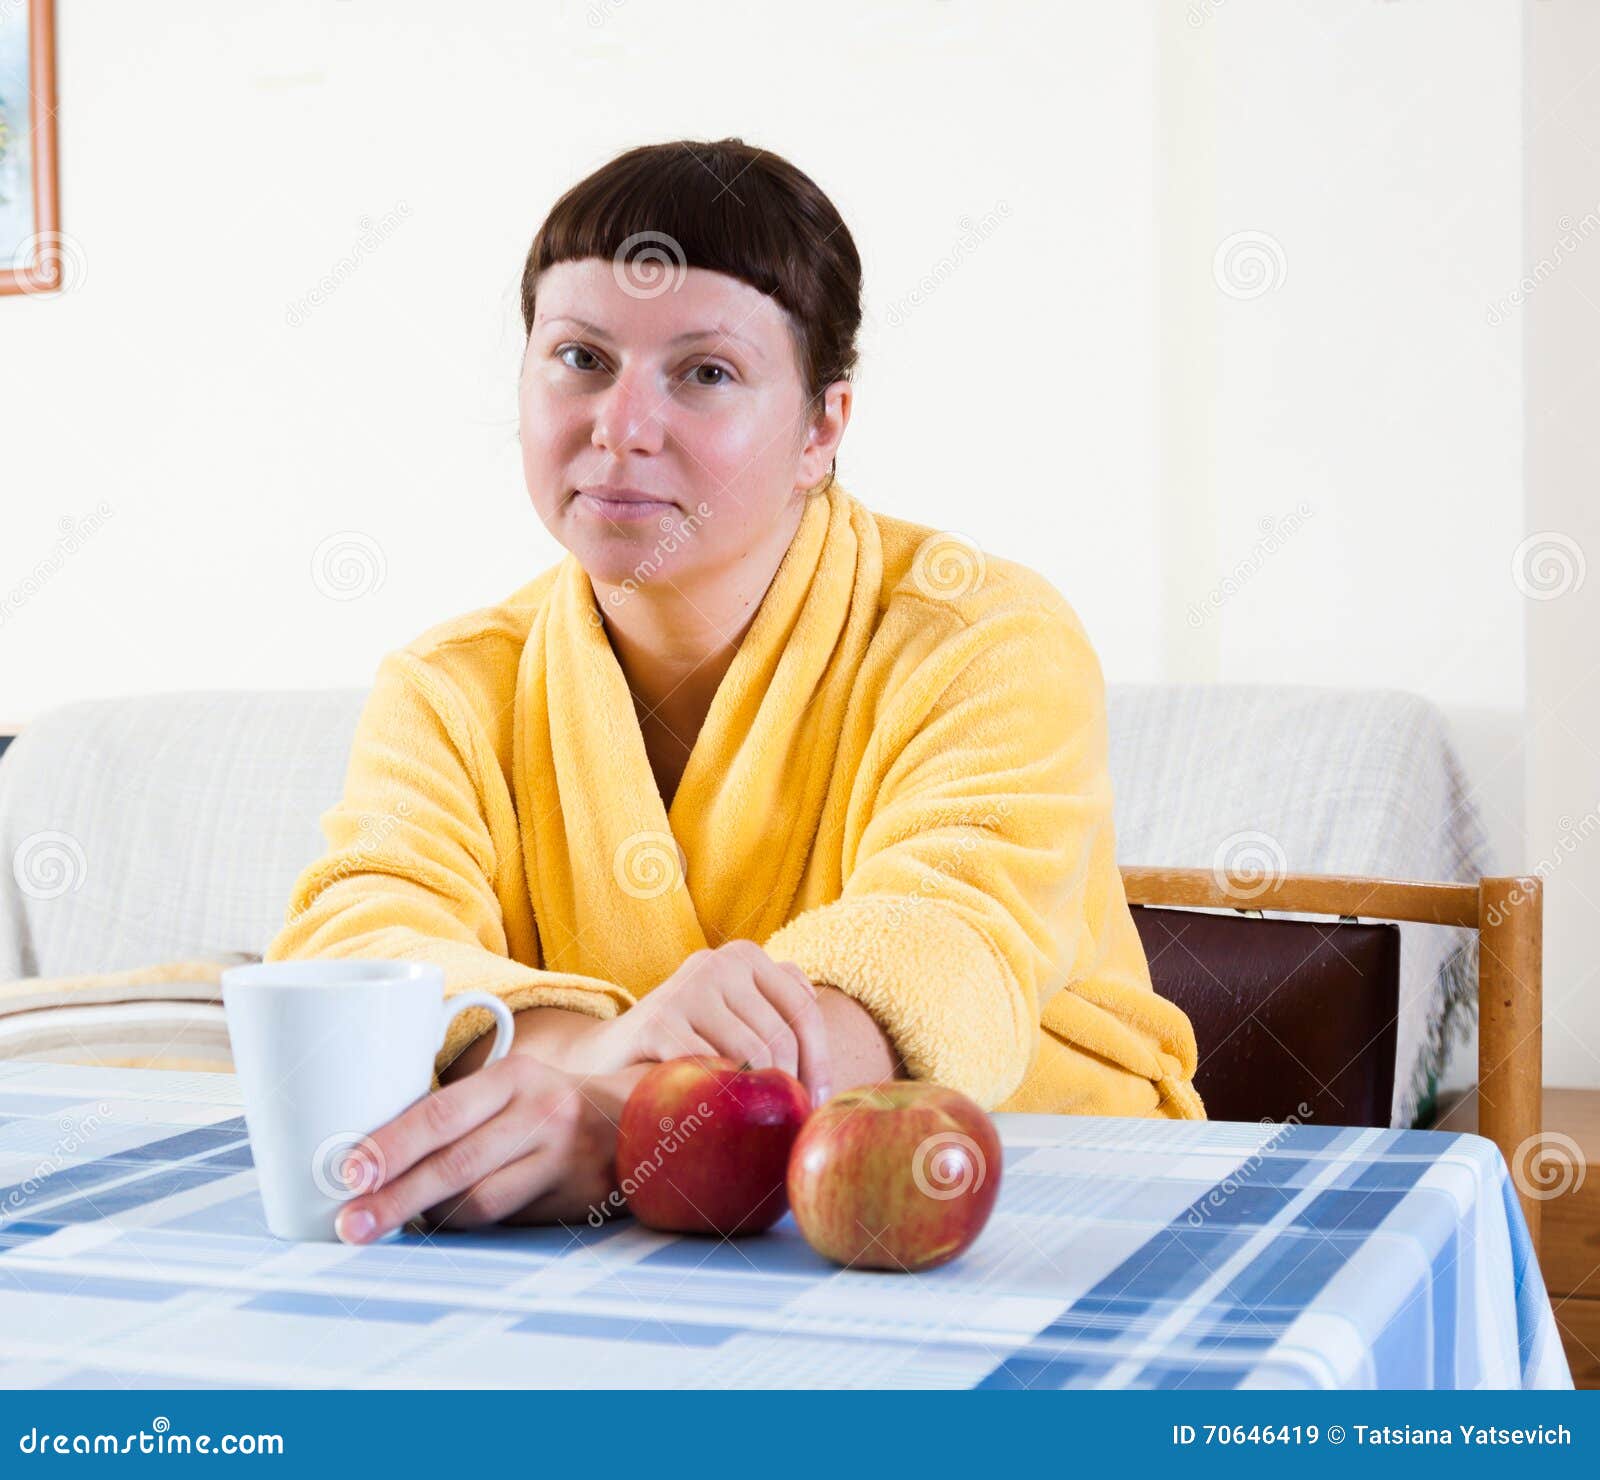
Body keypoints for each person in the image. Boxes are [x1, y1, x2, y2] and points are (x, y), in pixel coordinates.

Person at [264, 137, 1205, 1245]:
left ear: (821, 428)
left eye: (704, 373)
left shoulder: (982, 635)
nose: (621, 425)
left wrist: (624, 1115)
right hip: (627, 1247)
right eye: (579, 358)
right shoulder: (451, 684)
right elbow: (358, 938)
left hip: (1039, 1212)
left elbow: (946, 949)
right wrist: (593, 1062)